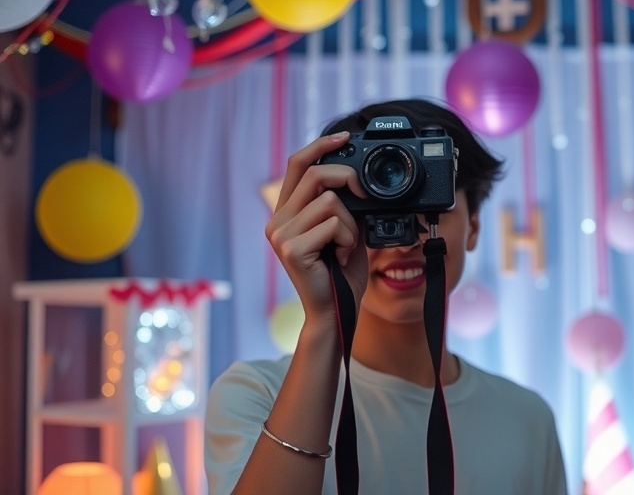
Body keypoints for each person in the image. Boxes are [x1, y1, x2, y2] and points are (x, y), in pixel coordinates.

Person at [204, 99, 568, 495]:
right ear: (328, 217)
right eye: (373, 207)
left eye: (429, 204)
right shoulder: (257, 395)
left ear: (474, 226)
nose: (404, 240)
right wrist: (326, 319)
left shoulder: (527, 418)